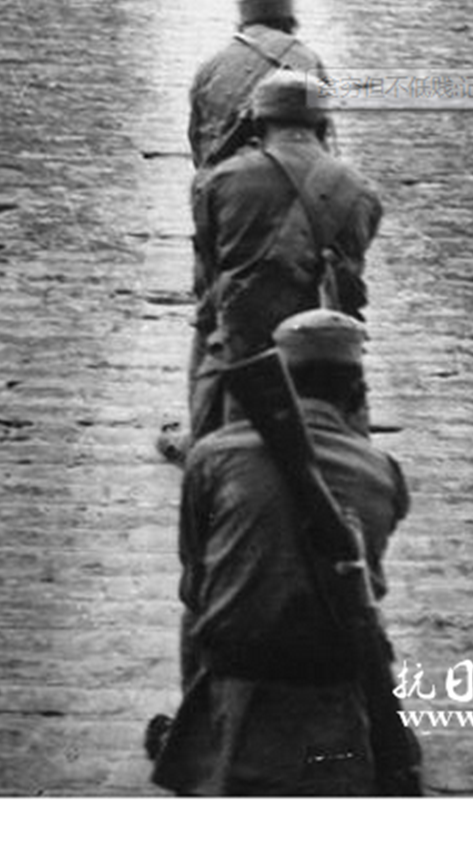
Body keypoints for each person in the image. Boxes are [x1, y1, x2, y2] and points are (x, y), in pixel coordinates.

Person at [151, 309, 411, 796]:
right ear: (356, 393)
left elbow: (195, 579)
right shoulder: (382, 472)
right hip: (334, 677)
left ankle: (197, 730)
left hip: (236, 669)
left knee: (197, 603)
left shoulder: (212, 455)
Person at [188, 69, 382, 441]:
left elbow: (207, 280)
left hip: (243, 353)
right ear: (322, 125)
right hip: (330, 360)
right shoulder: (360, 192)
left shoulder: (222, 181)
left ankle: (199, 440)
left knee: (210, 335)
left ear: (258, 123)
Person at [187, 0, 328, 170]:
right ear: (291, 24)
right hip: (290, 172)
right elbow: (320, 126)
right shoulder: (307, 58)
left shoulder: (211, 64)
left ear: (242, 25)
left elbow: (195, 134)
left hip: (219, 171)